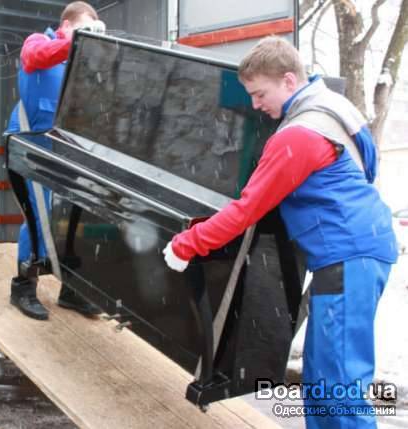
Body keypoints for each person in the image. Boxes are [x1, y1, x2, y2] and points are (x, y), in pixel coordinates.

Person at [162, 36, 397, 429]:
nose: (256, 105)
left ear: (289, 80)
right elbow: (368, 167)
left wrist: (187, 243)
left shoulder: (297, 134)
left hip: (348, 256)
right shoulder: (336, 107)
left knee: (339, 387)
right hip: (357, 250)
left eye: (260, 94)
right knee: (321, 380)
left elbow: (246, 209)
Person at [7, 2, 104, 321]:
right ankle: (23, 286)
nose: (87, 38)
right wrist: (75, 41)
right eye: (84, 30)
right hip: (30, 146)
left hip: (63, 152)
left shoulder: (77, 63)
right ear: (66, 26)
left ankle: (71, 290)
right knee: (40, 217)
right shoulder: (39, 42)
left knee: (75, 219)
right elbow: (38, 56)